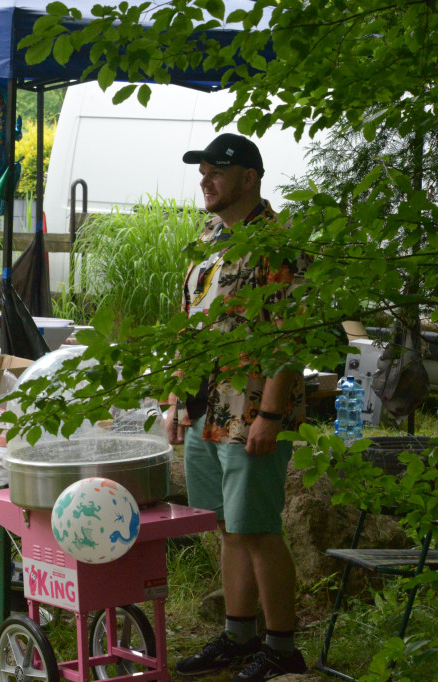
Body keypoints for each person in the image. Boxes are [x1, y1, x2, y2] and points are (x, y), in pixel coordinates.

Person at [167, 133, 307, 681]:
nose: (205, 180)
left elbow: (290, 336)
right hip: (206, 408)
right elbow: (190, 323)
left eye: (216, 171)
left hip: (251, 411)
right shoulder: (208, 236)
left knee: (257, 529)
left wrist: (270, 415)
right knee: (226, 526)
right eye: (202, 171)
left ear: (249, 177)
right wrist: (178, 399)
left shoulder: (278, 243)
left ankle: (282, 648)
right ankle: (237, 636)